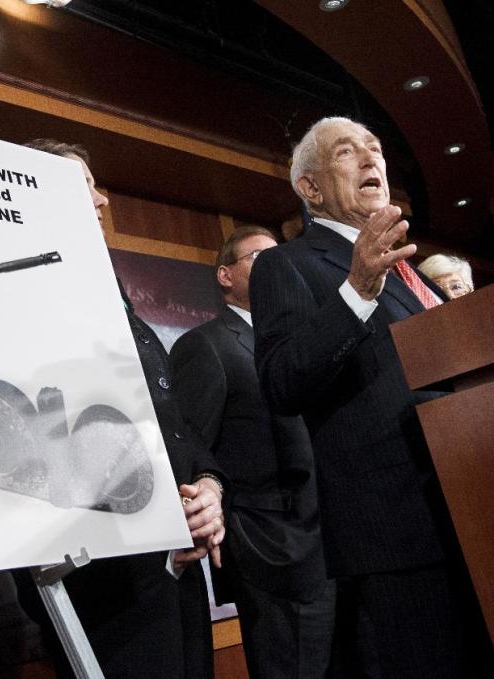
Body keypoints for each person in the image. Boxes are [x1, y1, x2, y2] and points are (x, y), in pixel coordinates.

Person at [248, 116, 494, 678]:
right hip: (398, 531)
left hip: (475, 505)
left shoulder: (412, 271)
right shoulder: (286, 265)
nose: (370, 159)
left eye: (377, 149)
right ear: (310, 188)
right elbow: (281, 382)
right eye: (347, 151)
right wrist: (357, 291)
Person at [16, 139, 226, 679]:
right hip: (101, 576)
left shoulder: (107, 287)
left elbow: (164, 412)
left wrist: (206, 485)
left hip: (172, 562)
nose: (102, 200)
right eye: (82, 184)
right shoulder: (16, 293)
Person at [170, 225, 335, 679]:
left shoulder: (297, 341)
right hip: (272, 554)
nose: (276, 264)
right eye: (260, 257)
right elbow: (191, 447)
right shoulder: (205, 345)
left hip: (333, 543)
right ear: (225, 274)